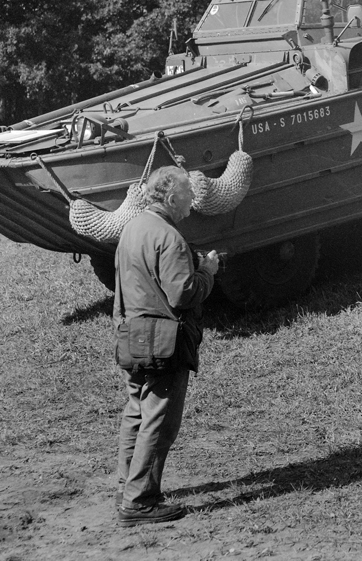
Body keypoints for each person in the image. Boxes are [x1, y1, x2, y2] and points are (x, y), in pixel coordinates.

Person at [114, 166, 219, 527]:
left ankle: (127, 487)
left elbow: (121, 290)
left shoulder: (132, 229)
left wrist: (121, 329)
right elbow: (182, 295)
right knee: (159, 421)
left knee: (135, 415)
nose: (194, 197)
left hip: (132, 336)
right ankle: (140, 501)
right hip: (164, 342)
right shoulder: (170, 238)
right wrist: (207, 271)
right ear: (172, 198)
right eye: (189, 191)